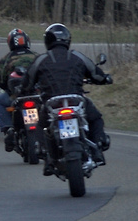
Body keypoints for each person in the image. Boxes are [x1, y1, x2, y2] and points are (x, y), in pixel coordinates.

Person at [19, 22, 109, 151]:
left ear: (47, 41)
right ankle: (98, 143)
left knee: (40, 126)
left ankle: (43, 150)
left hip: (52, 103)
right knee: (95, 118)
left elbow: (27, 83)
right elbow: (96, 74)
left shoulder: (41, 59)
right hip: (76, 100)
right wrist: (105, 78)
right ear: (68, 40)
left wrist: (23, 90)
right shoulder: (77, 56)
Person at [0, 28, 37, 134]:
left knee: (0, 101)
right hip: (36, 95)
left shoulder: (6, 59)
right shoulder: (36, 56)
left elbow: (1, 81)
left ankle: (8, 129)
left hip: (15, 97)